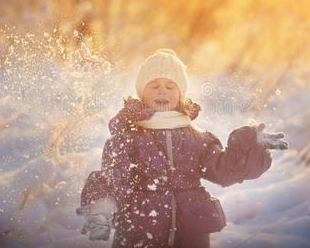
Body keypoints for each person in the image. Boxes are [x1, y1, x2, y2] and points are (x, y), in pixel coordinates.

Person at [77, 49, 288, 247]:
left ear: (181, 95)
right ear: (142, 94)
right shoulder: (129, 138)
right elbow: (114, 176)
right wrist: (100, 206)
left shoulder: (197, 139)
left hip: (190, 235)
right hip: (141, 232)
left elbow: (224, 170)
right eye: (154, 86)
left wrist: (250, 144)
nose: (162, 90)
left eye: (170, 86)